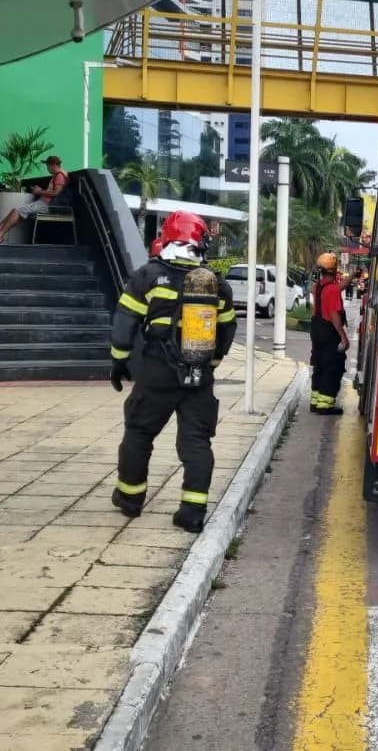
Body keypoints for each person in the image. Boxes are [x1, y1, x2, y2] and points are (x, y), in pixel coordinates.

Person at [108, 211, 237, 532]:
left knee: (139, 433)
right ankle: (192, 512)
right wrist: (211, 363)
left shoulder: (147, 276)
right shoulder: (215, 283)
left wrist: (119, 360)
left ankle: (130, 498)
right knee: (196, 442)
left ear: (166, 238)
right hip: (199, 374)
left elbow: (125, 323)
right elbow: (227, 329)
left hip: (157, 373)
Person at [0, 155, 68, 242]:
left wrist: (39, 192)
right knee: (15, 210)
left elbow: (56, 193)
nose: (47, 168)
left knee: (17, 211)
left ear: (54, 165)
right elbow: (53, 191)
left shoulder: (60, 176)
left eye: (48, 166)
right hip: (42, 203)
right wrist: (41, 190)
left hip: (46, 205)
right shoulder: (57, 175)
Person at [309, 252, 348, 415]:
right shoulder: (331, 290)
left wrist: (351, 277)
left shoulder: (318, 287)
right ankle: (325, 406)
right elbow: (334, 315)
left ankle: (315, 402)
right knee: (332, 367)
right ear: (334, 270)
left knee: (319, 365)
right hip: (328, 332)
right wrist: (344, 337)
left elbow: (335, 289)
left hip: (316, 330)